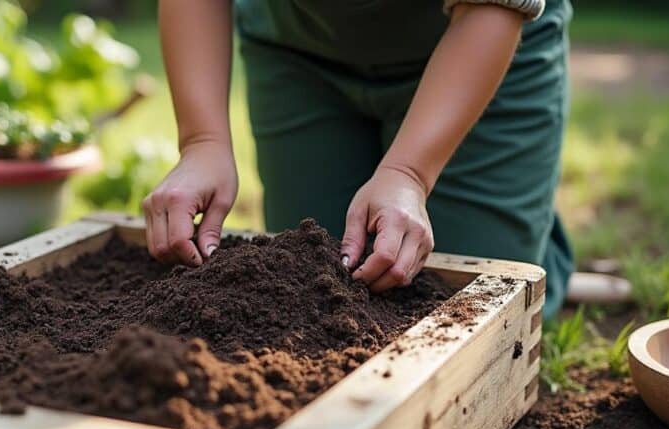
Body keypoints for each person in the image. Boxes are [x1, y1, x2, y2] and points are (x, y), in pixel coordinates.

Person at [142, 0, 575, 316]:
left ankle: (535, 228)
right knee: (310, 284)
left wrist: (409, 174)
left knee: (462, 298)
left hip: (482, 34)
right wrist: (203, 142)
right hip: (300, 48)